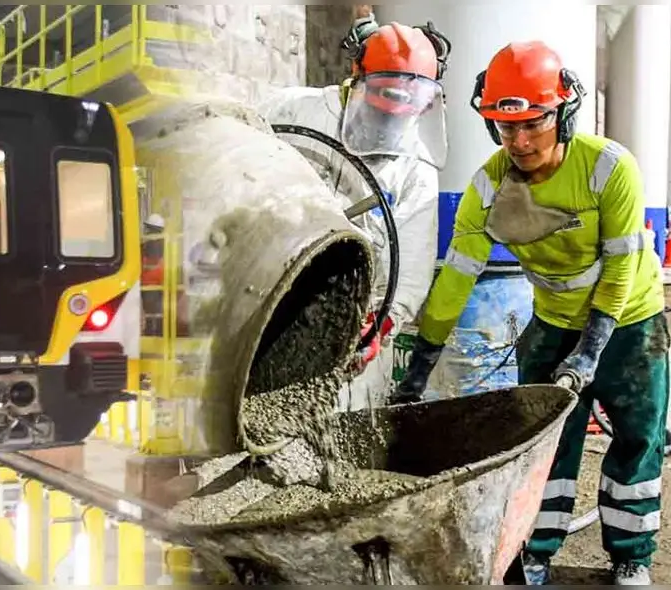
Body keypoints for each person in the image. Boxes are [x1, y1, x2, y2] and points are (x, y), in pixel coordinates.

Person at [394, 40, 668, 585]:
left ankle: (631, 555)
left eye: (532, 124)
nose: (517, 141)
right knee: (545, 446)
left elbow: (618, 271)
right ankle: (534, 550)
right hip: (552, 327)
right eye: (503, 126)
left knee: (638, 441)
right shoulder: (490, 187)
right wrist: (418, 369)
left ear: (562, 114)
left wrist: (591, 351)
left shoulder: (608, 169)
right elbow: (455, 281)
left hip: (631, 324)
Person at [258, 12, 452, 409]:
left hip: (350, 320)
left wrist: (385, 322)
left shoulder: (415, 167)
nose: (389, 120)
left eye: (404, 109)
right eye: (380, 103)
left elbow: (411, 265)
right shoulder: (291, 112)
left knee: (341, 429)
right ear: (356, 74)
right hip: (266, 300)